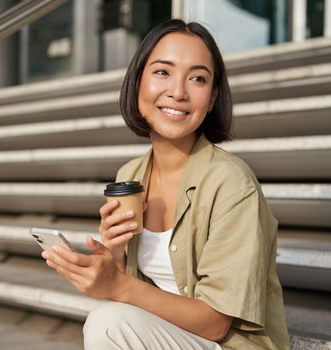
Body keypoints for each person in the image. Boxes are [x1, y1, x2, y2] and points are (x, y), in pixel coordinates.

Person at [41, 19, 290, 350]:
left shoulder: (231, 184)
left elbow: (216, 323)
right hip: (169, 335)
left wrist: (117, 286)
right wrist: (113, 256)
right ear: (138, 81)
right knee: (110, 318)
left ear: (212, 97)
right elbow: (134, 291)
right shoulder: (131, 175)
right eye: (162, 72)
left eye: (197, 78)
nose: (178, 91)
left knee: (108, 323)